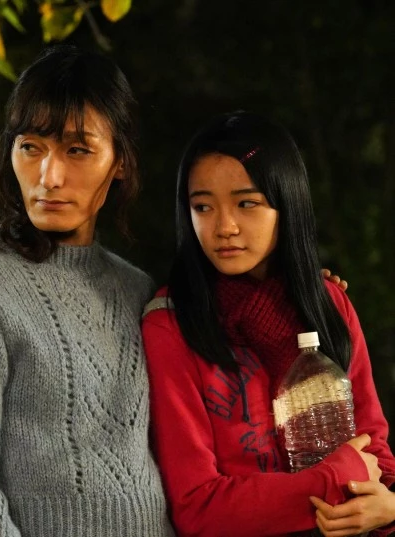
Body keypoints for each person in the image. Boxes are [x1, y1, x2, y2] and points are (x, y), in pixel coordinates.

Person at [0, 45, 175, 537]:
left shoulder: (137, 290)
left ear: (120, 160)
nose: (49, 177)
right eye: (31, 147)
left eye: (78, 150)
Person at [141, 111, 395, 537]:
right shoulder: (172, 324)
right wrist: (332, 479)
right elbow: (197, 506)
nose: (224, 227)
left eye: (247, 203)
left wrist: (387, 508)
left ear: (286, 204)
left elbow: (374, 448)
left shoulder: (327, 302)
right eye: (203, 206)